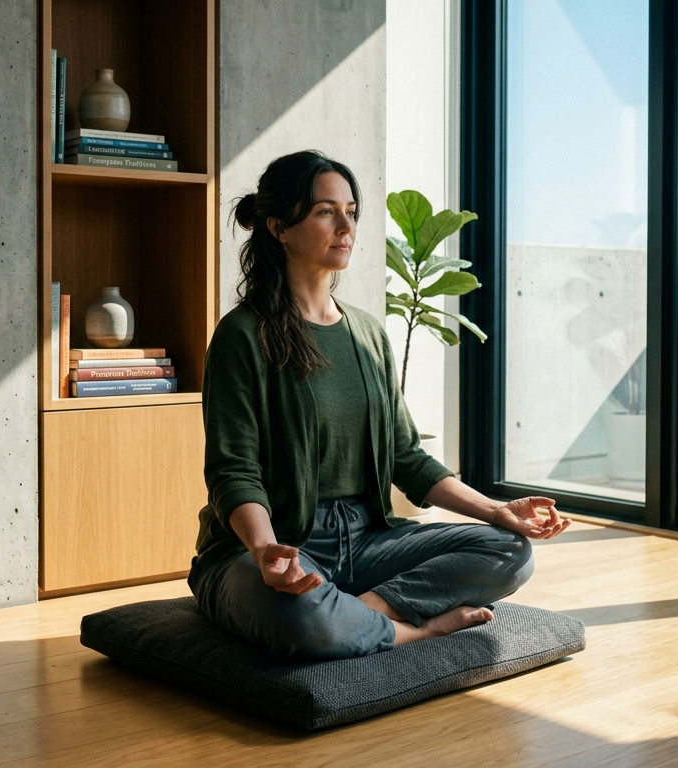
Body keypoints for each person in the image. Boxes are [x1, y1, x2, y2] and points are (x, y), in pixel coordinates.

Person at [189, 150, 571, 660]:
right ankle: (417, 630)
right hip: (271, 544)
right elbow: (234, 471)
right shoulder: (243, 336)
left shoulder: (367, 333)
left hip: (367, 539)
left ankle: (360, 613)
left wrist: (498, 511)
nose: (346, 225)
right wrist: (265, 552)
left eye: (351, 211)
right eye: (326, 211)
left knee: (509, 552)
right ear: (279, 226)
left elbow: (406, 456)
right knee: (296, 614)